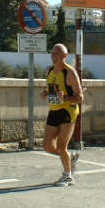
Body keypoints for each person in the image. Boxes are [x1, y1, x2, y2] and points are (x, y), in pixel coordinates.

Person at [41, 44, 84, 186]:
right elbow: (50, 89)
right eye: (52, 53)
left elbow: (80, 98)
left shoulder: (70, 73)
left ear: (64, 56)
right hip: (54, 110)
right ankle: (70, 158)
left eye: (56, 54)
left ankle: (68, 177)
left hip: (68, 112)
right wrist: (45, 93)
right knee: (47, 146)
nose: (53, 56)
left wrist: (64, 98)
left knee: (61, 146)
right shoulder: (49, 71)